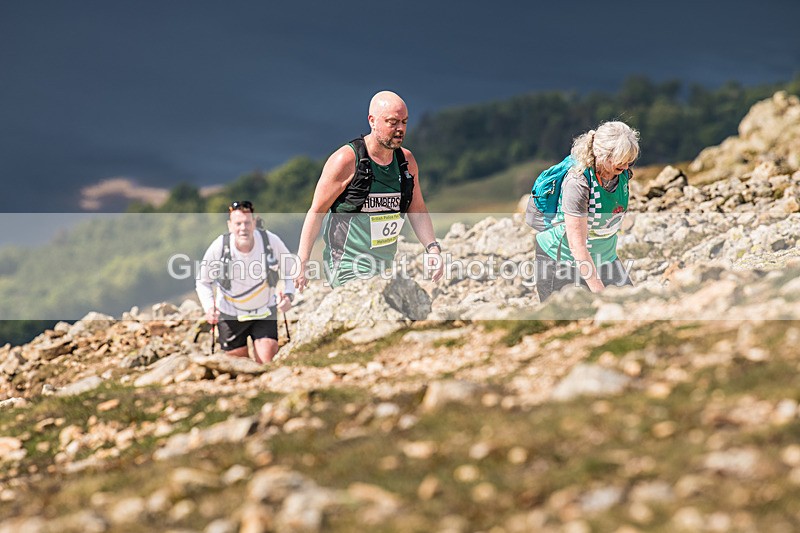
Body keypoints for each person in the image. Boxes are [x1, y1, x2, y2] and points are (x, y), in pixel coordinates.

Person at [294, 90, 444, 290]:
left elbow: (417, 209)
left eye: (404, 122)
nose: (400, 129)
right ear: (372, 121)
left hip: (383, 266)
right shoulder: (346, 160)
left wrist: (432, 249)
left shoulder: (406, 162)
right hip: (346, 265)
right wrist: (302, 261)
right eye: (393, 122)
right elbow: (317, 211)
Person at [535, 121, 640, 301]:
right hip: (561, 262)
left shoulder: (621, 174)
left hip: (605, 258)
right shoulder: (578, 182)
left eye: (629, 161)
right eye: (619, 161)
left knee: (631, 309)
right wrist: (600, 293)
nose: (625, 167)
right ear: (600, 153)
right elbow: (578, 246)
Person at [196, 200, 295, 363]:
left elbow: (291, 271)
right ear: (230, 225)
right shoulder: (220, 246)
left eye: (247, 223)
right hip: (230, 314)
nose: (243, 228)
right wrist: (209, 308)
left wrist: (289, 296)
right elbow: (203, 281)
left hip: (264, 311)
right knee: (240, 367)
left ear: (254, 223)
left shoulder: (270, 241)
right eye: (238, 223)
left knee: (267, 361)